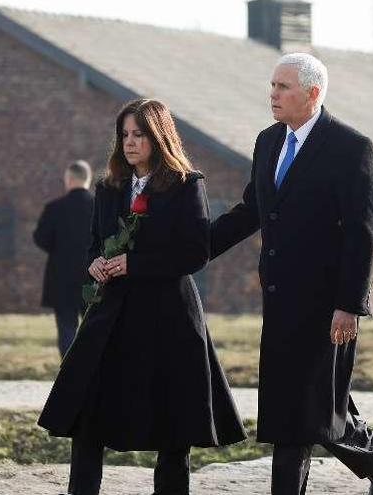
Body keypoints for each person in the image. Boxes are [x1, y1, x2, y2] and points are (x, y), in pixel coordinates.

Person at [210, 52, 373, 495]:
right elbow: (250, 211)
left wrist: (349, 305)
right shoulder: (267, 141)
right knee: (308, 409)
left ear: (313, 94)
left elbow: (362, 233)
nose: (273, 94)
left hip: (327, 306)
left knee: (298, 418)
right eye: (272, 85)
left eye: (284, 87)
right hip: (279, 301)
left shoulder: (351, 147)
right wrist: (193, 248)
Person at [38, 99, 246, 495]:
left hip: (169, 318)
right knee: (88, 417)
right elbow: (95, 243)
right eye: (124, 135)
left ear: (159, 136)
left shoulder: (187, 184)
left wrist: (135, 264)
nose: (129, 143)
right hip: (111, 317)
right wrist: (95, 263)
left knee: (173, 428)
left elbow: (194, 253)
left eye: (139, 135)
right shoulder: (108, 186)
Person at [33, 160, 94, 357]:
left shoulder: (54, 208)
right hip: (94, 277)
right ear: (88, 179)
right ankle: (93, 373)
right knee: (94, 328)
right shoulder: (100, 207)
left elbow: (41, 239)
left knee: (66, 329)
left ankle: (69, 375)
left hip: (61, 278)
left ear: (68, 179)